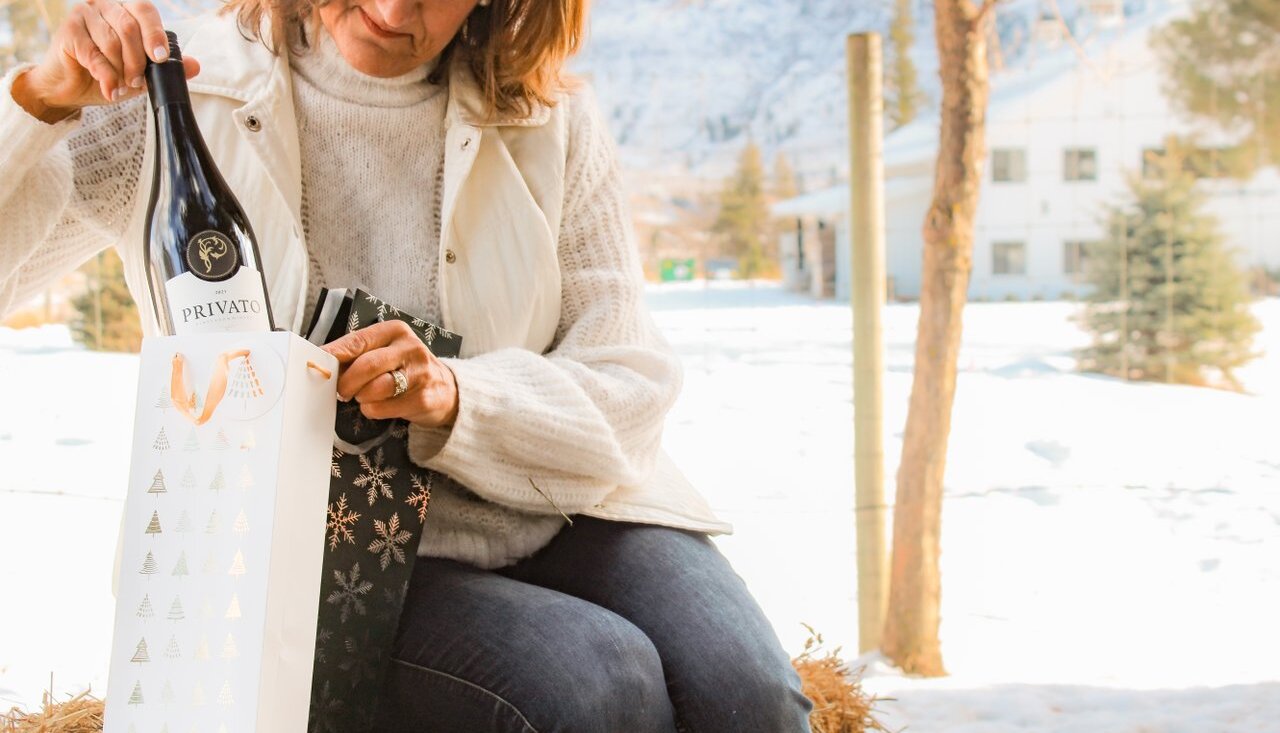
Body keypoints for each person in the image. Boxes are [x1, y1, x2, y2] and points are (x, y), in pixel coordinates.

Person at [0, 0, 814, 729]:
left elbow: (628, 372)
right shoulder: (173, 95)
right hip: (318, 557)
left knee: (752, 694)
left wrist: (461, 396)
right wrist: (37, 106)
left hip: (562, 498)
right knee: (596, 681)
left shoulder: (550, 112)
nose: (394, 9)